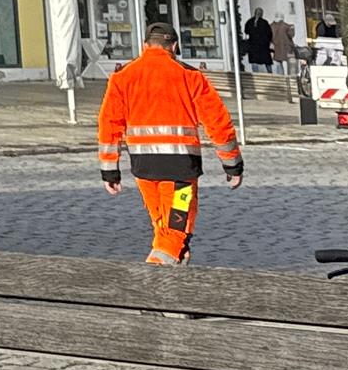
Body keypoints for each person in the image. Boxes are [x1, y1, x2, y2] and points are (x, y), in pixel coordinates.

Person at [97, 22, 241, 264]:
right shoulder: (190, 76)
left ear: (144, 46)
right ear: (174, 46)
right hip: (181, 170)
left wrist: (109, 170)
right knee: (175, 231)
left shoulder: (123, 77)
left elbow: (109, 124)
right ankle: (154, 277)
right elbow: (217, 122)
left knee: (163, 228)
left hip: (144, 168)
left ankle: (174, 272)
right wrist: (233, 165)